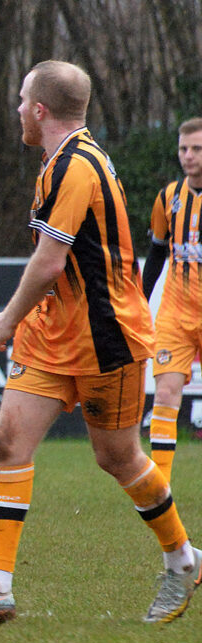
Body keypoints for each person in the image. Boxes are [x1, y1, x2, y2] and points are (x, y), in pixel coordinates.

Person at [0, 61, 201, 624]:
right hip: (54, 334)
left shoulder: (77, 166)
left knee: (117, 458)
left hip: (108, 339)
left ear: (41, 110)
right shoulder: (59, 160)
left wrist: (5, 319)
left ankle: (181, 561)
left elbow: (49, 262)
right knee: (8, 442)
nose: (19, 109)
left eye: (23, 100)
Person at [141, 117, 202, 484]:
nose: (189, 157)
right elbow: (156, 255)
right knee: (164, 395)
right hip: (176, 314)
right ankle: (158, 488)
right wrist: (137, 303)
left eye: (197, 149)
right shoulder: (169, 197)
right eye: (183, 149)